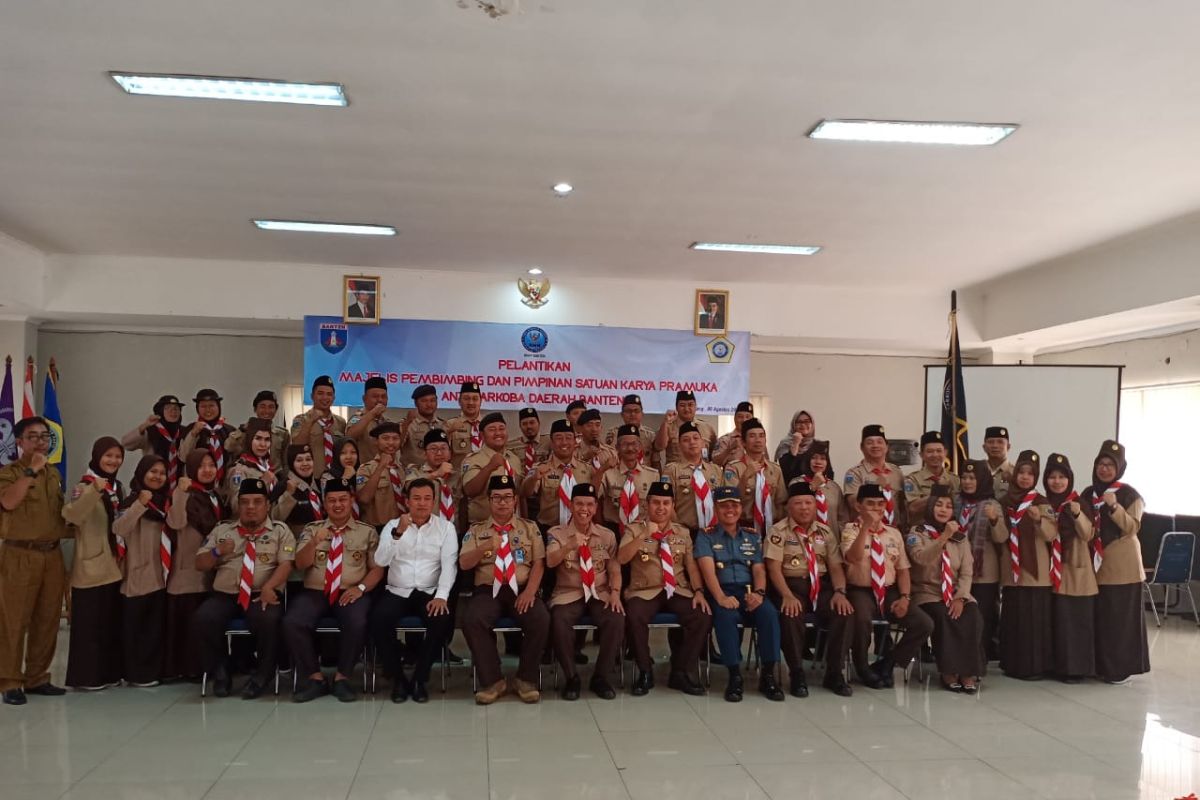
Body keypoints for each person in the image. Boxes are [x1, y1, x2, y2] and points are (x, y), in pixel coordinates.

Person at [193, 478, 295, 699]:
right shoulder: (223, 530)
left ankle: (262, 676)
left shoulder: (280, 531)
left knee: (269, 620)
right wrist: (217, 551)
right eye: (245, 502)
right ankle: (221, 672)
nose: (251, 507)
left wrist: (270, 586)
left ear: (267, 505)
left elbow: (286, 564)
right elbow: (200, 563)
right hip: (226, 594)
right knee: (204, 618)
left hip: (261, 593)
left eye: (257, 502)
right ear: (238, 505)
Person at [284, 478, 382, 703]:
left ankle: (343, 678)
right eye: (332, 500)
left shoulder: (366, 532)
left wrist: (360, 588)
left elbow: (377, 569)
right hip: (315, 592)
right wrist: (313, 543)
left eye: (343, 499)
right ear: (324, 503)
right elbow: (299, 564)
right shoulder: (312, 529)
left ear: (351, 500)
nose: (338, 505)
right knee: (293, 622)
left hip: (351, 591)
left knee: (357, 621)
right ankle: (314, 678)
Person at [460, 475, 550, 704]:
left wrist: (530, 592)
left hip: (521, 588)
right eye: (497, 498)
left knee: (540, 618)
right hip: (488, 589)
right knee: (473, 619)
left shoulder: (529, 528)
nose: (502, 502)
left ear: (515, 500)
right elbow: (464, 563)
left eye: (507, 497)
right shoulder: (477, 530)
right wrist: (483, 547)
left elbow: (539, 563)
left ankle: (526, 679)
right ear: (489, 500)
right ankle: (493, 680)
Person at [618, 480, 711, 696]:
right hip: (644, 591)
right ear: (647, 504)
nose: (661, 507)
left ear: (672, 506)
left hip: (677, 589)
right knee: (634, 615)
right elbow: (621, 558)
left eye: (666, 503)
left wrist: (698, 591)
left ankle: (681, 671)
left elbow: (691, 567)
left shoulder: (682, 532)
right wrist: (644, 534)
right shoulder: (634, 529)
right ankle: (645, 671)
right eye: (656, 503)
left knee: (702, 615)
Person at [371, 478, 458, 703]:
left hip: (429, 591)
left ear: (434, 501)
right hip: (397, 590)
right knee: (379, 619)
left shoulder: (446, 528)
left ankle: (420, 678)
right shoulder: (392, 526)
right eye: (417, 498)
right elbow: (380, 560)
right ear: (407, 501)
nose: (422, 503)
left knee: (441, 620)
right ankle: (398, 679)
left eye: (427, 498)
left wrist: (441, 596)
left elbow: (449, 565)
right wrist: (398, 534)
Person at [0, 417, 68, 705]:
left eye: (45, 437)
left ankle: (37, 677)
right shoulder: (10, 473)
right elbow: (8, 502)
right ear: (19, 441)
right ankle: (10, 681)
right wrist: (31, 471)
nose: (41, 442)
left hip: (51, 553)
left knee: (47, 618)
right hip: (20, 554)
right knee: (14, 620)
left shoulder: (53, 474)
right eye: (33, 437)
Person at [764, 480, 855, 697]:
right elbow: (773, 568)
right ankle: (796, 673)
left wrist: (840, 592)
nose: (804, 508)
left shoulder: (825, 532)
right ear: (789, 507)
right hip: (790, 586)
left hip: (820, 587)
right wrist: (786, 595)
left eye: (808, 503)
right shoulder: (778, 531)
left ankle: (834, 673)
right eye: (798, 503)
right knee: (790, 614)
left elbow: (835, 567)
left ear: (815, 506)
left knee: (844, 612)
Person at [694, 486, 784, 702]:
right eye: (724, 506)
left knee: (769, 615)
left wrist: (759, 593)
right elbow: (708, 572)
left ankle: (768, 675)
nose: (730, 510)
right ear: (716, 509)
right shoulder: (706, 536)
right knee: (726, 618)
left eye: (734, 505)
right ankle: (734, 676)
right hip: (722, 591)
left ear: (741, 508)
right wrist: (720, 598)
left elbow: (759, 569)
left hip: (749, 591)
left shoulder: (752, 536)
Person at [840, 483, 933, 688]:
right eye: (870, 504)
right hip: (861, 589)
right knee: (861, 620)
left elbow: (903, 570)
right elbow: (853, 557)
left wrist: (905, 597)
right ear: (858, 506)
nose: (876, 508)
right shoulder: (850, 530)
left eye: (880, 504)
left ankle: (888, 663)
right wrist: (865, 528)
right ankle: (862, 667)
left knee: (924, 623)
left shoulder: (893, 533)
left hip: (889, 590)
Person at [1080, 441, 1149, 684]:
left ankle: (1120, 669)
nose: (1105, 469)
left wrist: (1113, 505)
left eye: (1111, 465)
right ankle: (1099, 665)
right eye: (1101, 463)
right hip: (1094, 565)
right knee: (1101, 618)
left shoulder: (1130, 494)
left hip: (1122, 567)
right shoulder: (1088, 494)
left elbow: (1132, 527)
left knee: (1120, 620)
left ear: (1120, 468)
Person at [545, 484, 623, 700]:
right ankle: (571, 677)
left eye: (589, 504)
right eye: (579, 504)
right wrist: (570, 544)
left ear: (596, 507)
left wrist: (616, 592)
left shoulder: (607, 536)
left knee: (616, 618)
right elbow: (550, 561)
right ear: (571, 506)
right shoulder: (556, 533)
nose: (584, 509)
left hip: (599, 592)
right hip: (569, 592)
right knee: (559, 620)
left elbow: (614, 568)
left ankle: (601, 677)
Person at [905, 484, 983, 693]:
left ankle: (968, 672)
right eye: (938, 505)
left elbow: (966, 572)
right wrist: (943, 537)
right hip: (928, 592)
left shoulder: (960, 537)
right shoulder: (917, 533)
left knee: (972, 615)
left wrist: (961, 597)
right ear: (930, 507)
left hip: (956, 592)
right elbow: (921, 559)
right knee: (943, 616)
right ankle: (948, 671)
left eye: (948, 506)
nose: (943, 510)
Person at [62, 437, 126, 691]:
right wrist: (94, 491)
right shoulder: (84, 486)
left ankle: (108, 673)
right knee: (88, 625)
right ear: (97, 456)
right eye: (108, 456)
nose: (113, 461)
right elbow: (72, 515)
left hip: (114, 565)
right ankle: (86, 677)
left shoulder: (117, 487)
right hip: (91, 565)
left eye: (117, 457)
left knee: (109, 623)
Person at [113, 454, 177, 687]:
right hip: (137, 575)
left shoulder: (166, 502)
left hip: (162, 574)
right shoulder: (132, 501)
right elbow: (119, 528)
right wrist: (140, 504)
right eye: (153, 472)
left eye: (162, 473)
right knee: (136, 627)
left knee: (155, 629)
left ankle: (154, 672)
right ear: (141, 473)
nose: (157, 477)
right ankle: (135, 673)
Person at [163, 451, 224, 681]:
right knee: (188, 626)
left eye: (211, 465)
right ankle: (188, 670)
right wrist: (180, 492)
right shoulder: (185, 494)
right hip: (188, 573)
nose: (207, 470)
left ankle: (205, 667)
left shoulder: (214, 495)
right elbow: (176, 521)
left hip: (210, 570)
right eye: (201, 466)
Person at [996, 450, 1056, 680]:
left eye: (1030, 474)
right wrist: (993, 521)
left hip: (1036, 571)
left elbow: (1051, 535)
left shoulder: (1041, 502)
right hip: (1011, 570)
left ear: (1036, 477)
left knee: (1035, 621)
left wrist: (1039, 519)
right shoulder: (1004, 502)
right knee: (1015, 619)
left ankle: (1036, 666)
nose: (1024, 477)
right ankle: (1013, 664)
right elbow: (1000, 536)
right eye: (1021, 472)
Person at [1042, 453, 1096, 683]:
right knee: (1058, 623)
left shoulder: (1079, 503)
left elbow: (1087, 534)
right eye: (1052, 477)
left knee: (1076, 623)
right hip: (1051, 572)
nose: (1057, 482)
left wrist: (1077, 514)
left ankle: (1076, 669)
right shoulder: (1043, 504)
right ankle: (1058, 666)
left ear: (1070, 479)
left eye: (1062, 477)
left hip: (1076, 572)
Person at [955, 460, 1005, 664]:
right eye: (964, 477)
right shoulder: (955, 502)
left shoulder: (993, 505)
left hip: (983, 572)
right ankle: (960, 658)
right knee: (958, 616)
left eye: (972, 478)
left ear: (982, 480)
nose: (967, 482)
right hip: (957, 570)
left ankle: (979, 659)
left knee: (983, 617)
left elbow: (1002, 537)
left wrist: (994, 520)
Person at [522, 419, 594, 531]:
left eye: (568, 438)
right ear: (551, 442)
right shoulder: (540, 468)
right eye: (559, 438)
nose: (564, 442)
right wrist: (534, 478)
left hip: (581, 530)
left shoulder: (587, 469)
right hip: (548, 529)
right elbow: (525, 492)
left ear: (575, 442)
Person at [723, 418, 786, 534]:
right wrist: (745, 476)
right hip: (743, 527)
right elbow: (731, 501)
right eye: (752, 436)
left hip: (771, 527)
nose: (758, 440)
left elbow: (781, 502)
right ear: (743, 442)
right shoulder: (733, 468)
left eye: (761, 436)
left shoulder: (775, 469)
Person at [462, 412, 526, 526]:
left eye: (501, 429)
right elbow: (470, 491)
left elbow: (520, 494)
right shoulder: (473, 459)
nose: (498, 433)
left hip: (514, 526)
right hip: (483, 527)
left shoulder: (514, 458)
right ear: (482, 435)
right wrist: (489, 467)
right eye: (492, 430)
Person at [660, 422, 725, 533]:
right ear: (679, 445)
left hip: (714, 531)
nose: (692, 442)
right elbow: (667, 503)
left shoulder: (715, 470)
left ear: (703, 443)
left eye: (696, 438)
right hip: (685, 531)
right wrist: (679, 531)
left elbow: (723, 501)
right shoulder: (672, 470)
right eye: (686, 440)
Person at [598, 425, 660, 535]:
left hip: (642, 530)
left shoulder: (652, 475)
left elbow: (656, 506)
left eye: (634, 444)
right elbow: (594, 495)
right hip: (613, 530)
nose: (630, 448)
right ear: (617, 447)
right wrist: (602, 469)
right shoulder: (608, 473)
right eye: (625, 444)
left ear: (640, 447)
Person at [844, 424, 906, 531]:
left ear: (887, 447)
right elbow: (853, 504)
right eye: (870, 442)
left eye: (879, 442)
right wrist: (877, 488)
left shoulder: (896, 472)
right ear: (862, 447)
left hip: (894, 531)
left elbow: (903, 506)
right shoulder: (854, 473)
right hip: (866, 530)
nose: (875, 445)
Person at [121, 394, 186, 488]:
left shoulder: (185, 432)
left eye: (176, 408)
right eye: (167, 408)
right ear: (160, 411)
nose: (173, 411)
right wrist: (144, 426)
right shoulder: (151, 430)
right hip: (153, 483)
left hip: (179, 486)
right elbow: (126, 444)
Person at [291, 376, 348, 474]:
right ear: (312, 396)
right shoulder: (301, 420)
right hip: (312, 476)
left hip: (336, 476)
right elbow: (297, 445)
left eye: (329, 394)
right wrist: (311, 421)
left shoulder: (340, 422)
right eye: (320, 393)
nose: (325, 397)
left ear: (333, 398)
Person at [179, 389, 238, 484]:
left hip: (225, 484)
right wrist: (193, 434)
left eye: (211, 405)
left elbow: (237, 457)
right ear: (197, 409)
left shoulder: (229, 430)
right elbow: (183, 457)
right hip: (198, 484)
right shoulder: (190, 429)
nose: (208, 410)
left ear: (218, 407)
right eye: (203, 406)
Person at [356, 422, 408, 528]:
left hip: (403, 525)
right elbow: (364, 498)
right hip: (378, 528)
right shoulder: (366, 469)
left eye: (395, 438)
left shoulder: (402, 469)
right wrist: (381, 466)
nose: (391, 442)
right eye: (385, 438)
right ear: (376, 441)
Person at [787, 442, 847, 535]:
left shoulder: (834, 487)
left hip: (831, 540)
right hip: (805, 539)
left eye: (823, 458)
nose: (818, 462)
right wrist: (813, 486)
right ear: (807, 460)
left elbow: (843, 519)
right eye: (814, 458)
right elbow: (791, 513)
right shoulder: (796, 483)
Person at [903, 431, 961, 521]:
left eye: (939, 451)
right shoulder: (911, 480)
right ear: (921, 455)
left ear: (945, 453)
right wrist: (937, 491)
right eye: (930, 451)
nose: (935, 455)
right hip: (922, 528)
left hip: (948, 527)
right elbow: (913, 508)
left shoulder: (955, 480)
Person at [226, 390, 289, 470]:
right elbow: (229, 447)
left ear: (276, 410)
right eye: (262, 407)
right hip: (251, 474)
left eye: (271, 407)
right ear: (255, 409)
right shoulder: (245, 431)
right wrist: (242, 430)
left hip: (276, 476)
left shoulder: (282, 434)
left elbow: (285, 462)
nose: (267, 411)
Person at [273, 444, 325, 538]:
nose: (305, 463)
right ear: (291, 463)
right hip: (296, 541)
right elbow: (275, 519)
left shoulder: (320, 485)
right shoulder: (283, 486)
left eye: (308, 459)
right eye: (299, 460)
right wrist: (288, 495)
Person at [347, 377, 401, 465]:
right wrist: (372, 413)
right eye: (375, 396)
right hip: (363, 471)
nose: (380, 400)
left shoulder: (387, 421)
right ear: (364, 399)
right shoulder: (357, 418)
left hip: (385, 470)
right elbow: (349, 436)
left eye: (383, 397)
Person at [655, 390, 718, 465]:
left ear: (695, 406)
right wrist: (665, 423)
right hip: (677, 471)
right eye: (682, 405)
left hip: (702, 470)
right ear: (676, 407)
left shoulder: (707, 427)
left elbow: (714, 454)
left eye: (690, 405)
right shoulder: (668, 426)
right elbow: (659, 447)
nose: (687, 409)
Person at [223, 418, 280, 501]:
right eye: (258, 438)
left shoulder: (267, 465)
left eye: (267, 439)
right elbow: (237, 505)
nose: (263, 444)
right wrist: (262, 484)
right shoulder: (239, 470)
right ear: (249, 440)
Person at [604, 395, 657, 468]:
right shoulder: (614, 433)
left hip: (645, 474)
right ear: (622, 414)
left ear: (642, 414)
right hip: (620, 473)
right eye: (628, 411)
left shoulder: (650, 435)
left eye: (636, 411)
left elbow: (656, 461)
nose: (632, 414)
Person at [400, 384, 446, 467]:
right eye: (424, 401)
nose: (429, 404)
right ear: (416, 403)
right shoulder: (408, 424)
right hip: (414, 472)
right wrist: (406, 424)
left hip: (439, 472)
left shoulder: (442, 424)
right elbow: (397, 446)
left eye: (432, 400)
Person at [445, 380, 485, 469]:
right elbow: (442, 454)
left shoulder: (488, 425)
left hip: (484, 474)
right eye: (466, 399)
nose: (471, 402)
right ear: (459, 401)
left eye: (475, 399)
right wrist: (449, 432)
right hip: (459, 475)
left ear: (481, 401)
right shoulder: (450, 424)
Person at [507, 407, 551, 474]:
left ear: (539, 423)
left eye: (532, 422)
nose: (529, 426)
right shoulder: (511, 445)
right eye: (524, 424)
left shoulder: (549, 442)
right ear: (520, 426)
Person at [712, 402, 756, 467]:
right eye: (740, 417)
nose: (744, 420)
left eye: (747, 417)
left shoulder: (758, 439)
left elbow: (766, 462)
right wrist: (728, 450)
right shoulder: (725, 440)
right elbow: (714, 463)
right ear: (735, 418)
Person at [576, 409, 618, 474]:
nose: (594, 429)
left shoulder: (610, 452)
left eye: (597, 425)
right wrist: (584, 458)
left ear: (601, 427)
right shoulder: (574, 451)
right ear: (580, 428)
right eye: (589, 425)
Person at [983, 426, 1015, 500]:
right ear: (984, 447)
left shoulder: (1015, 474)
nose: (995, 446)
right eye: (990, 442)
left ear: (1008, 446)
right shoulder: (977, 472)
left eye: (1000, 442)